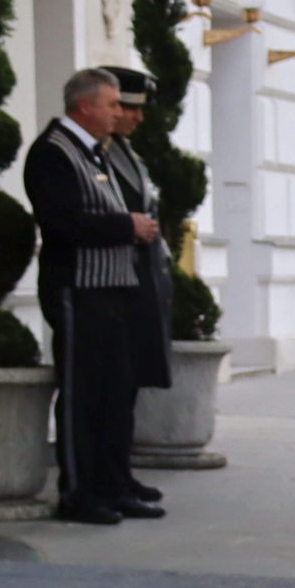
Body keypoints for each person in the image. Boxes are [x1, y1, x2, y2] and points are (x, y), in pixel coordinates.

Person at [24, 67, 163, 523]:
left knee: (115, 391)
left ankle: (114, 484)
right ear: (85, 106)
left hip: (114, 290)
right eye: (111, 104)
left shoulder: (97, 153)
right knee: (83, 395)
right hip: (78, 290)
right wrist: (129, 226)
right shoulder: (52, 153)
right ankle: (79, 493)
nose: (119, 112)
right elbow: (62, 223)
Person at [103, 66, 176, 467]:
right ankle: (108, 476)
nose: (135, 117)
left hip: (141, 278)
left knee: (129, 384)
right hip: (117, 281)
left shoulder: (127, 152)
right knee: (112, 388)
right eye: (127, 108)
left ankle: (120, 472)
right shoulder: (99, 154)